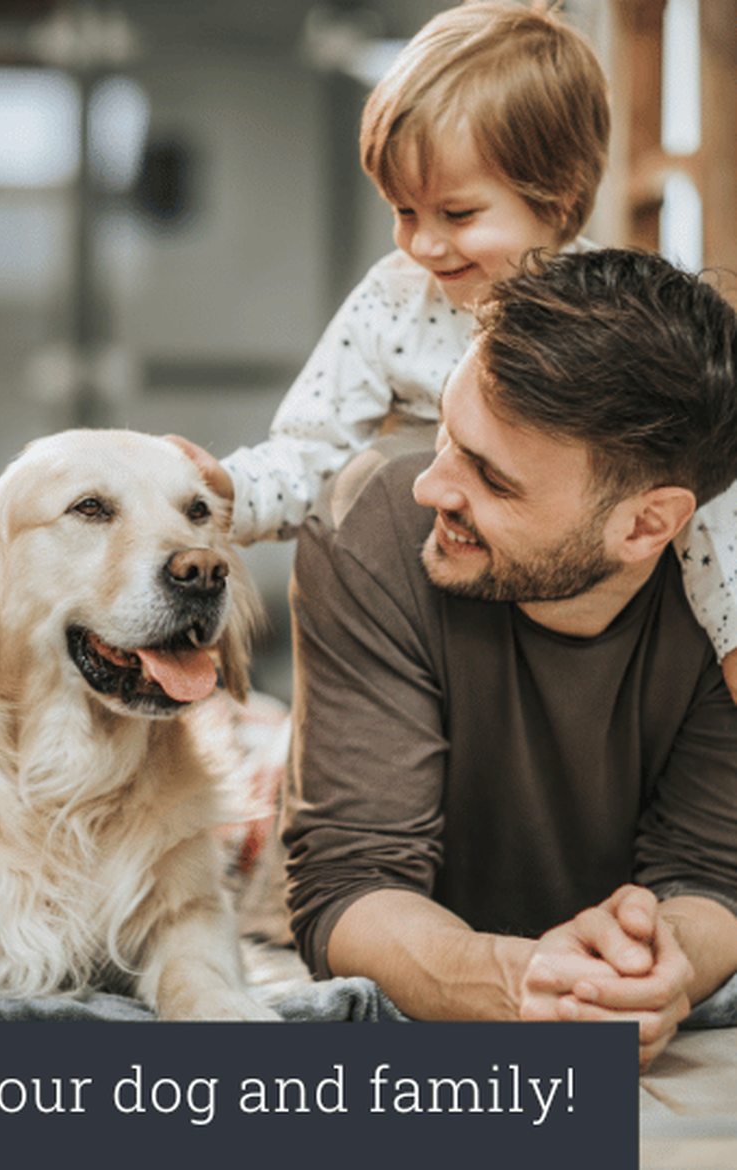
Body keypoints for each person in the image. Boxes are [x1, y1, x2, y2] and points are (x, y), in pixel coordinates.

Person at [194, 1, 737, 696]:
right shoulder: (395, 299)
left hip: (579, 610)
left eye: (457, 214)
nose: (422, 244)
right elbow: (310, 448)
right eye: (402, 211)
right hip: (443, 609)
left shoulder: (611, 321)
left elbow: (701, 489)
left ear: (558, 193)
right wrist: (225, 493)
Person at [282, 247, 737, 1070]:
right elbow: (348, 886)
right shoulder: (373, 531)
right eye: (447, 437)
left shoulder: (727, 613)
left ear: (645, 526)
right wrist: (523, 981)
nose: (434, 488)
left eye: (491, 477)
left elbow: (714, 878)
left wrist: (655, 965)